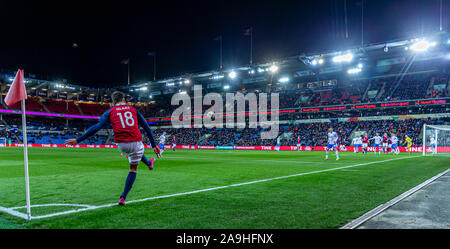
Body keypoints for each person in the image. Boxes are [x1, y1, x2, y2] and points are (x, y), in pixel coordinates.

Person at [65, 91, 161, 206]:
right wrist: (154, 145)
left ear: (113, 101)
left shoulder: (110, 111)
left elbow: (97, 126)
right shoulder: (133, 109)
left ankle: (149, 163)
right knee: (133, 168)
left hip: (121, 144)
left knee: (133, 153)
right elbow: (146, 127)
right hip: (136, 142)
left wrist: (78, 140)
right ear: (124, 99)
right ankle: (123, 197)